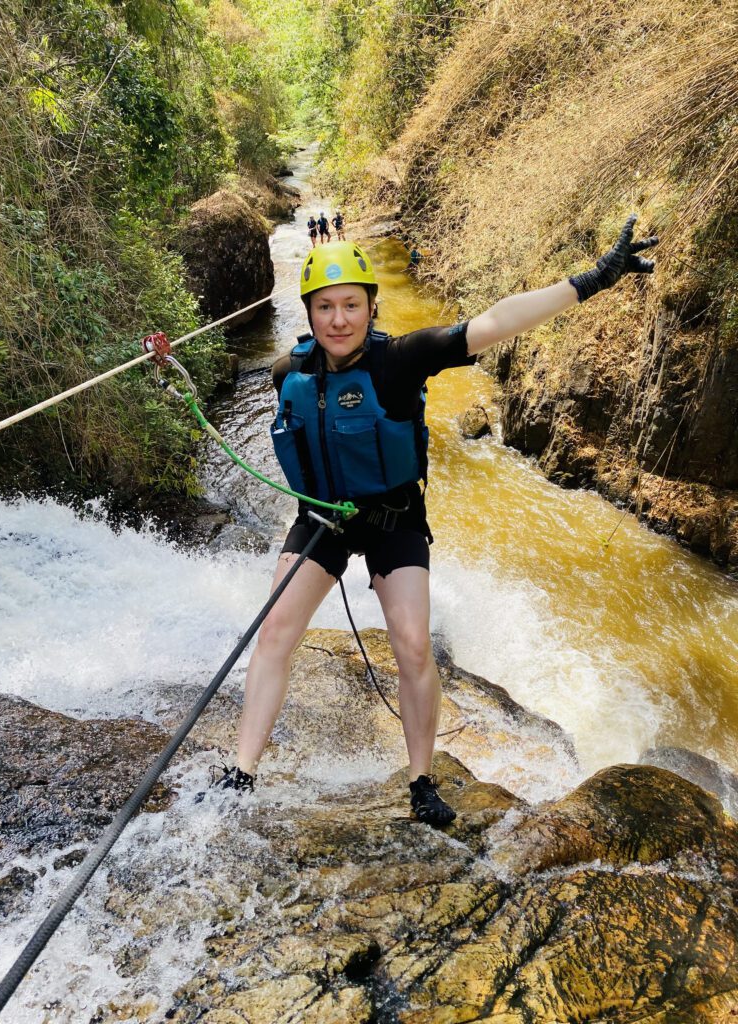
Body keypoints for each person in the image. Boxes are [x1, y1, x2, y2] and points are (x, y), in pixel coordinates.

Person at [212, 217, 658, 826]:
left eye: (350, 305)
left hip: (393, 519)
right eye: (325, 307)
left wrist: (590, 281)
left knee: (415, 646)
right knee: (274, 635)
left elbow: (494, 323)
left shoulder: (400, 361)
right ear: (309, 313)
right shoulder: (288, 375)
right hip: (322, 521)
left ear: (371, 307)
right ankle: (242, 771)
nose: (338, 320)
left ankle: (421, 781)